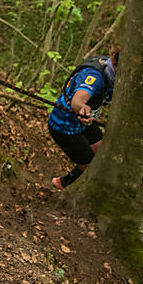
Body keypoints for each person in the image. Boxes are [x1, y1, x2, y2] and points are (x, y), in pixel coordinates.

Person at [46, 52, 117, 189]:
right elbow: (79, 98)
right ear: (115, 62)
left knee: (102, 153)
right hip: (64, 126)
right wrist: (81, 108)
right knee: (89, 166)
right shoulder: (95, 76)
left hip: (87, 122)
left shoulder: (111, 73)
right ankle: (63, 185)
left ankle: (62, 182)